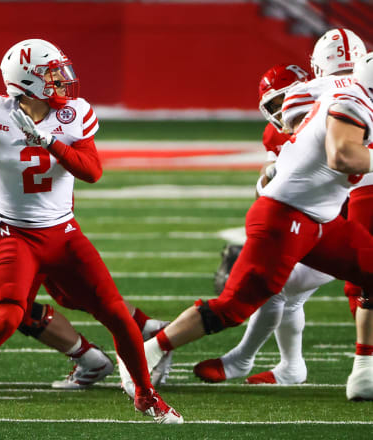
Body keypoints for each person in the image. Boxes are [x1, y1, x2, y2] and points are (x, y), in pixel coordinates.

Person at [0, 39, 182, 428]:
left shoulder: (74, 114)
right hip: (15, 235)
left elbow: (91, 172)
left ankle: (146, 396)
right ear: (26, 81)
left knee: (118, 315)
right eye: (51, 73)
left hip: (64, 233)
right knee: (6, 318)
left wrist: (49, 142)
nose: (61, 80)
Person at [141, 50, 373, 402]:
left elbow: (299, 96)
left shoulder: (343, 87)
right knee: (234, 307)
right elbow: (341, 155)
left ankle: (364, 374)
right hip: (287, 216)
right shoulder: (354, 102)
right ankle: (148, 352)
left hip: (321, 220)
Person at [194, 29, 369, 386]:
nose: (283, 111)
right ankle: (292, 366)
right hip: (327, 218)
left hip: (337, 218)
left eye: (284, 101)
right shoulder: (339, 102)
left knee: (295, 285)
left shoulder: (329, 103)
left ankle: (357, 367)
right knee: (285, 287)